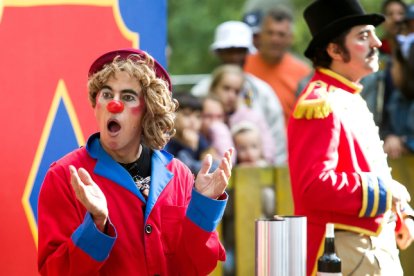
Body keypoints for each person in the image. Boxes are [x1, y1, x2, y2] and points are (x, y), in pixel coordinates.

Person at [37, 49, 234, 275]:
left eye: (128, 97)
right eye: (107, 94)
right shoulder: (64, 176)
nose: (114, 105)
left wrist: (204, 208)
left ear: (148, 111)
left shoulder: (178, 174)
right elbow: (54, 271)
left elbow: (194, 267)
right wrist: (97, 224)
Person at [288, 0, 414, 275]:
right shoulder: (319, 102)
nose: (378, 43)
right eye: (363, 36)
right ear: (334, 49)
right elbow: (314, 187)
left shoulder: (347, 95)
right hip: (341, 252)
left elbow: (363, 170)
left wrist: (398, 211)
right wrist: (386, 193)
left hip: (366, 249)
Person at [191, 20, 287, 165]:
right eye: (229, 50)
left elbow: (277, 138)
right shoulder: (200, 92)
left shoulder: (262, 91)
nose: (234, 56)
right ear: (219, 52)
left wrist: (270, 171)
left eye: (240, 50)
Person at [244, 7, 312, 125]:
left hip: (287, 141)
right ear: (260, 35)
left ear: (290, 38)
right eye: (270, 33)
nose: (275, 39)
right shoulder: (243, 65)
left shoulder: (304, 73)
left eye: (281, 34)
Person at [209, 64, 276, 165]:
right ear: (214, 88)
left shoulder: (252, 117)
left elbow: (268, 154)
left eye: (236, 91)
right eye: (226, 88)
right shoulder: (203, 113)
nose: (231, 96)